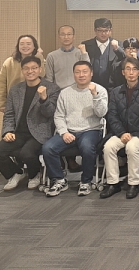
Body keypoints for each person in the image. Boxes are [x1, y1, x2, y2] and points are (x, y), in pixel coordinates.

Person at [0, 56, 60, 191]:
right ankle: (16, 173)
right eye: (26, 68)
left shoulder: (52, 88)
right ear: (22, 71)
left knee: (26, 154)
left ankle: (34, 174)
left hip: (39, 132)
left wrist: (44, 99)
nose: (30, 71)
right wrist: (8, 131)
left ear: (40, 69)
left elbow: (50, 113)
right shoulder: (15, 90)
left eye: (34, 68)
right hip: (18, 133)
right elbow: (9, 114)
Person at [42, 61, 108, 197]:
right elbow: (59, 116)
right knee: (48, 148)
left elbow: (101, 113)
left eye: (85, 71)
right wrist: (64, 132)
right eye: (77, 72)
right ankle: (59, 180)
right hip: (69, 131)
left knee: (87, 146)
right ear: (73, 74)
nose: (81, 75)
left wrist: (95, 95)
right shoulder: (65, 93)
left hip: (91, 130)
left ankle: (86, 181)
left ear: (91, 73)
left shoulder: (100, 90)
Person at [100, 57, 139, 199]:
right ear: (123, 72)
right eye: (128, 69)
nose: (131, 72)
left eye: (134, 69)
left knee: (131, 147)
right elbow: (112, 115)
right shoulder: (115, 92)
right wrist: (121, 133)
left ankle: (133, 183)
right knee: (108, 147)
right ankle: (113, 183)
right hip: (121, 132)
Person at [45, 25, 90, 172]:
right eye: (63, 34)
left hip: (78, 93)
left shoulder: (79, 53)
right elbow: (49, 78)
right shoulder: (52, 56)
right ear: (59, 36)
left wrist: (84, 53)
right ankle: (60, 162)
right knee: (59, 126)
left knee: (75, 124)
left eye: (69, 34)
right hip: (58, 95)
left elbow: (87, 69)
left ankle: (72, 160)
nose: (66, 37)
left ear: (73, 36)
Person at [0, 34, 45, 113]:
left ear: (34, 46)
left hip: (34, 99)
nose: (25, 46)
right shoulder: (9, 62)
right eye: (22, 44)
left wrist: (39, 56)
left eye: (28, 44)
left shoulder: (39, 60)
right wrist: (2, 103)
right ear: (18, 46)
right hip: (14, 99)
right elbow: (2, 84)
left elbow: (43, 76)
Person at [81, 18, 125, 91]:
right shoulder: (86, 45)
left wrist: (117, 49)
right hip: (92, 86)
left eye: (106, 30)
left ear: (110, 30)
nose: (103, 33)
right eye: (100, 31)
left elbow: (125, 60)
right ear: (95, 30)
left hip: (113, 87)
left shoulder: (119, 45)